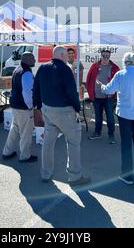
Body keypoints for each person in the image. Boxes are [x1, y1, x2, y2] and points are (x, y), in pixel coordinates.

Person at [33, 46, 90, 186]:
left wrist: (38, 106)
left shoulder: (42, 67)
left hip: (48, 109)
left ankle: (46, 173)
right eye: (67, 55)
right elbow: (72, 92)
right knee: (73, 142)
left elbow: (36, 89)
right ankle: (75, 176)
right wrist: (77, 108)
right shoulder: (66, 69)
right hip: (64, 111)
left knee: (48, 143)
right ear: (63, 55)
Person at [98, 53, 134, 185]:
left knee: (126, 145)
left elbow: (108, 90)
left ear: (124, 62)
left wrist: (102, 86)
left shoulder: (120, 75)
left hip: (124, 114)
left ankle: (127, 176)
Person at [3, 52, 38, 163]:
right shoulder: (26, 73)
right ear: (27, 60)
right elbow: (27, 92)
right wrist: (30, 106)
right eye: (33, 58)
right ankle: (24, 156)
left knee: (15, 129)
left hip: (15, 105)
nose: (35, 61)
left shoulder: (17, 69)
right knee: (26, 133)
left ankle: (7, 151)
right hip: (23, 107)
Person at [86, 49, 120, 144]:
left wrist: (114, 93)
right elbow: (88, 80)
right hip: (97, 96)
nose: (105, 57)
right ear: (100, 56)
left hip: (108, 97)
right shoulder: (95, 66)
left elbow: (118, 82)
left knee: (110, 117)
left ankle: (111, 135)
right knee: (98, 116)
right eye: (104, 55)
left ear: (109, 56)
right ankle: (97, 133)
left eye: (107, 56)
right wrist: (90, 93)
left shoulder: (114, 67)